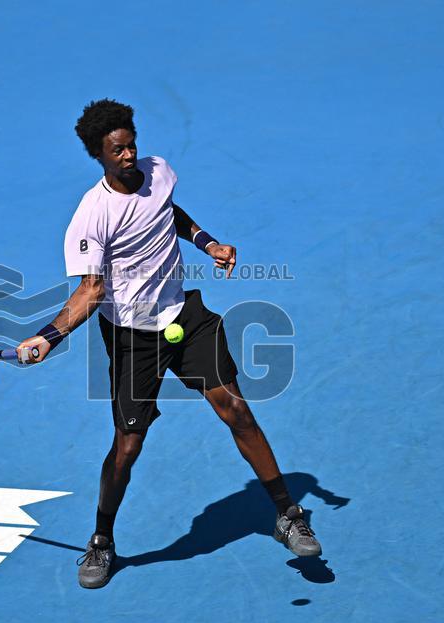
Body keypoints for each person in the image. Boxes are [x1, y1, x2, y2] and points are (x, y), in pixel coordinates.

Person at [16, 99, 320, 589]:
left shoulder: (159, 171)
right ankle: (101, 542)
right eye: (117, 150)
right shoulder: (91, 218)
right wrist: (49, 336)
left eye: (132, 143)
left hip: (185, 318)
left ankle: (288, 513)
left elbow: (167, 214)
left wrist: (208, 242)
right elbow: (91, 291)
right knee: (128, 447)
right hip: (133, 337)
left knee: (236, 410)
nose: (129, 155)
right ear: (98, 155)